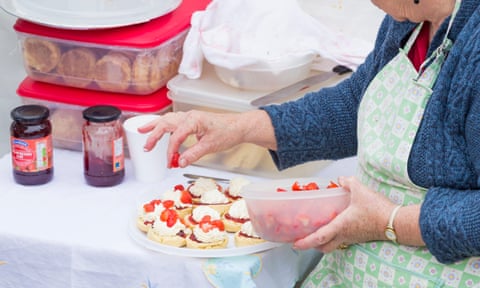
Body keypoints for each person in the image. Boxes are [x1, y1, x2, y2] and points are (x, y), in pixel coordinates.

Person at [139, 0, 480, 286]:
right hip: (353, 270)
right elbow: (354, 106)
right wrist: (236, 128)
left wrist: (389, 222)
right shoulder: (408, 21)